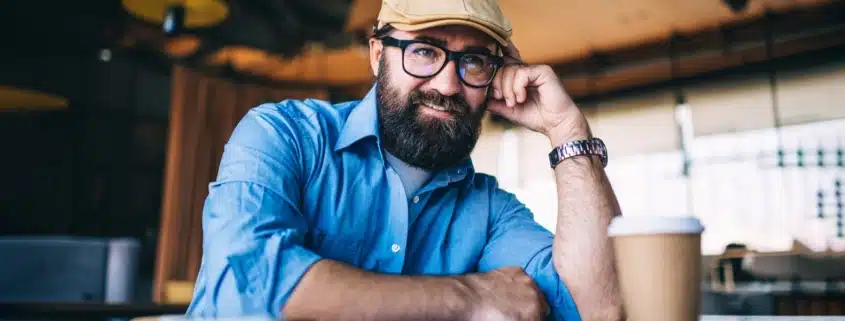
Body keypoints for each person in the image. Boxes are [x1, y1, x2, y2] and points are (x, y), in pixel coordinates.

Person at [186, 0, 624, 320]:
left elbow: (601, 307)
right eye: (425, 51)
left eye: (473, 62)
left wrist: (567, 130)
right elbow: (242, 290)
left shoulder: (491, 212)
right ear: (378, 55)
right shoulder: (284, 135)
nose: (449, 85)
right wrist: (467, 298)